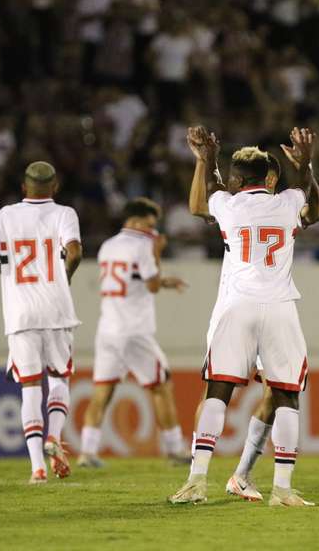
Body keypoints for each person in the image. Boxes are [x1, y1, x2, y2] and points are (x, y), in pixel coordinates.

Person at [169, 126, 319, 507]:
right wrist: (306, 166)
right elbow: (312, 202)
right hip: (279, 306)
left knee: (218, 392)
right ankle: (282, 490)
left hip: (236, 305)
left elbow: (199, 205)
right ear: (269, 177)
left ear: (236, 180)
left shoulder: (228, 204)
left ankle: (196, 481)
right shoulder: (287, 202)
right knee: (287, 394)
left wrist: (206, 161)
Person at [0, 161, 83, 484]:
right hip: (56, 309)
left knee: (30, 388)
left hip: (20, 314)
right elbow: (74, 252)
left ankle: (37, 468)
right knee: (60, 377)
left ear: (24, 187)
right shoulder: (65, 213)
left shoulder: (7, 215)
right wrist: (65, 277)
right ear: (55, 187)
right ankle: (55, 437)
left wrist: (7, 273)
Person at [77, 197, 189, 468]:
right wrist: (158, 253)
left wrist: (164, 281)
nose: (154, 230)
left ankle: (86, 451)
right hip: (134, 331)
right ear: (137, 221)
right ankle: (175, 449)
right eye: (150, 224)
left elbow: (132, 281)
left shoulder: (108, 246)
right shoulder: (144, 245)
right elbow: (149, 285)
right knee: (162, 385)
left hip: (108, 329)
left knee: (103, 390)